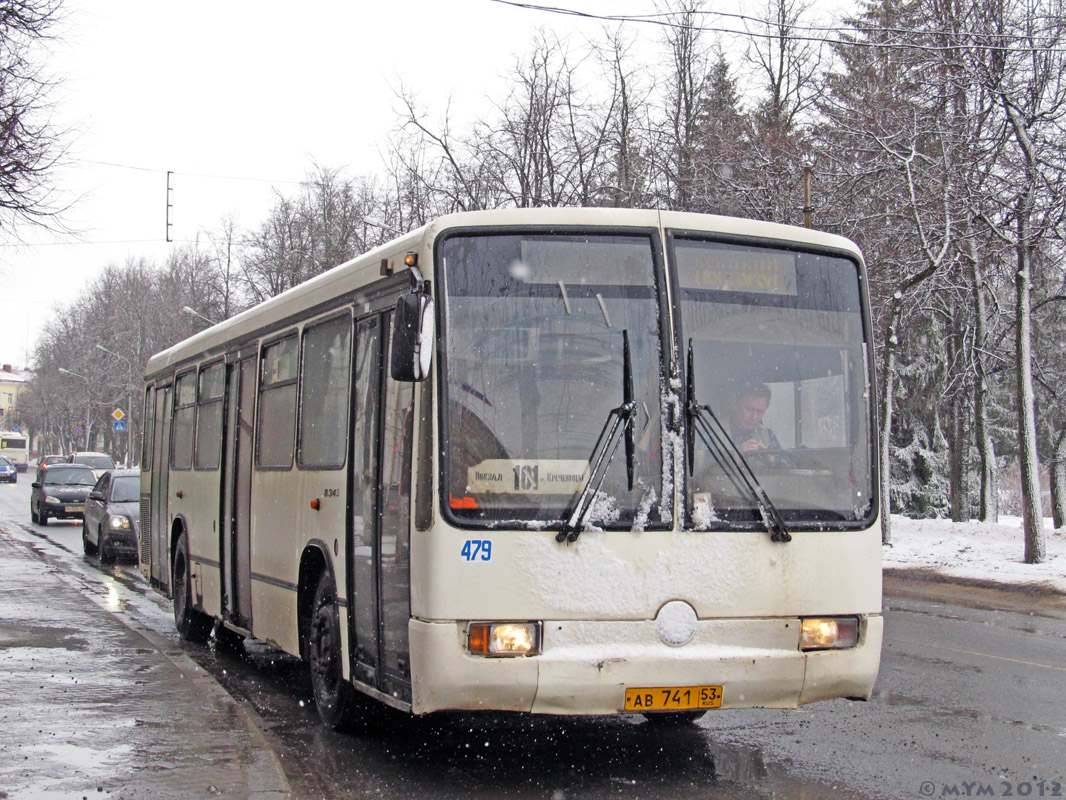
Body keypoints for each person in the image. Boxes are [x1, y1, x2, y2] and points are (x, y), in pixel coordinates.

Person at [730, 383, 781, 453]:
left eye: (759, 412)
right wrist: (738, 456)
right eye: (749, 409)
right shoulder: (714, 433)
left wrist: (770, 459)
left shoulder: (768, 435)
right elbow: (712, 463)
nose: (754, 417)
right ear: (736, 406)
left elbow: (787, 461)